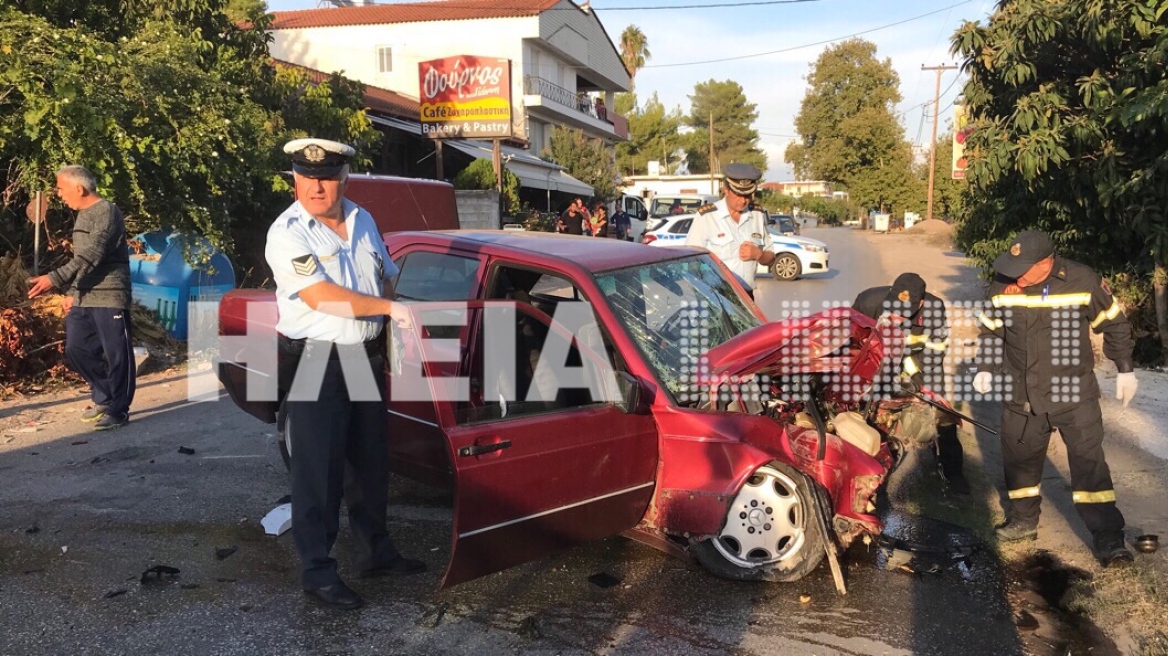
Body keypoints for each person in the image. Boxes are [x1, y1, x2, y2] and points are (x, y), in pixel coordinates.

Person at [266, 138, 425, 610]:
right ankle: (317, 571)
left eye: (327, 176)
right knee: (319, 469)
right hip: (316, 357)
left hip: (362, 355)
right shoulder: (288, 232)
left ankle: (375, 551)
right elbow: (320, 297)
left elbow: (385, 274)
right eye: (306, 176)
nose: (316, 186)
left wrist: (391, 320)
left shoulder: (363, 219)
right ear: (294, 178)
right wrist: (388, 308)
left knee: (369, 461)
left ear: (344, 177)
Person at [973, 230, 1137, 567]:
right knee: (1019, 459)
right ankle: (1022, 522)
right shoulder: (1002, 285)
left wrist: (1124, 368)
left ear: (1046, 262)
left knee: (1088, 462)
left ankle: (1107, 535)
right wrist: (986, 367)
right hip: (1021, 392)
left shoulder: (1082, 279)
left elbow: (1114, 323)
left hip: (1072, 392)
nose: (1015, 273)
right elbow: (991, 330)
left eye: (1024, 267)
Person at [27, 165, 134, 431]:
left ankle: (118, 410)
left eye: (62, 189)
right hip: (84, 294)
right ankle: (105, 395)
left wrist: (55, 279)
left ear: (79, 188)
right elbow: (82, 262)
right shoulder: (82, 216)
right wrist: (73, 292)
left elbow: (93, 255)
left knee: (117, 354)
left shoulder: (108, 212)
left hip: (110, 296)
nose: (60, 196)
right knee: (76, 348)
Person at [853, 273, 969, 494]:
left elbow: (935, 354)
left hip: (921, 362)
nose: (897, 316)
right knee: (865, 409)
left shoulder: (935, 310)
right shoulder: (867, 301)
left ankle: (954, 476)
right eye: (893, 309)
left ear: (921, 303)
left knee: (942, 417)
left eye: (904, 313)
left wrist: (914, 380)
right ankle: (870, 464)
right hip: (881, 360)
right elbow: (853, 342)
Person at [684, 163, 775, 296]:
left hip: (747, 296)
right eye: (738, 194)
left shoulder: (757, 215)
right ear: (726, 189)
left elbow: (771, 257)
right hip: (715, 296)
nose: (744, 200)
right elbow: (691, 261)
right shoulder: (707, 216)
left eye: (748, 195)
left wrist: (758, 255)